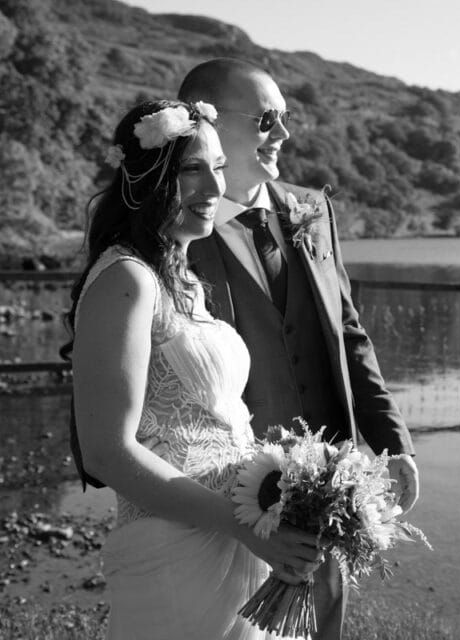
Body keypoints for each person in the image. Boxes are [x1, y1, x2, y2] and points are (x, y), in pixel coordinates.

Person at [62, 99, 324, 639]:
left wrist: (286, 489)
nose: (212, 187)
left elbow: (215, 420)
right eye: (191, 169)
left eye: (220, 168)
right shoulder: (126, 280)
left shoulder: (182, 278)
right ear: (146, 179)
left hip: (239, 533)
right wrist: (242, 525)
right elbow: (108, 451)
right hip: (177, 548)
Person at [178, 58, 420, 639]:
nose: (282, 135)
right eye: (265, 119)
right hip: (224, 498)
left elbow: (349, 331)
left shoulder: (313, 210)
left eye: (283, 119)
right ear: (203, 123)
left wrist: (392, 442)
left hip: (332, 486)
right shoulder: (170, 230)